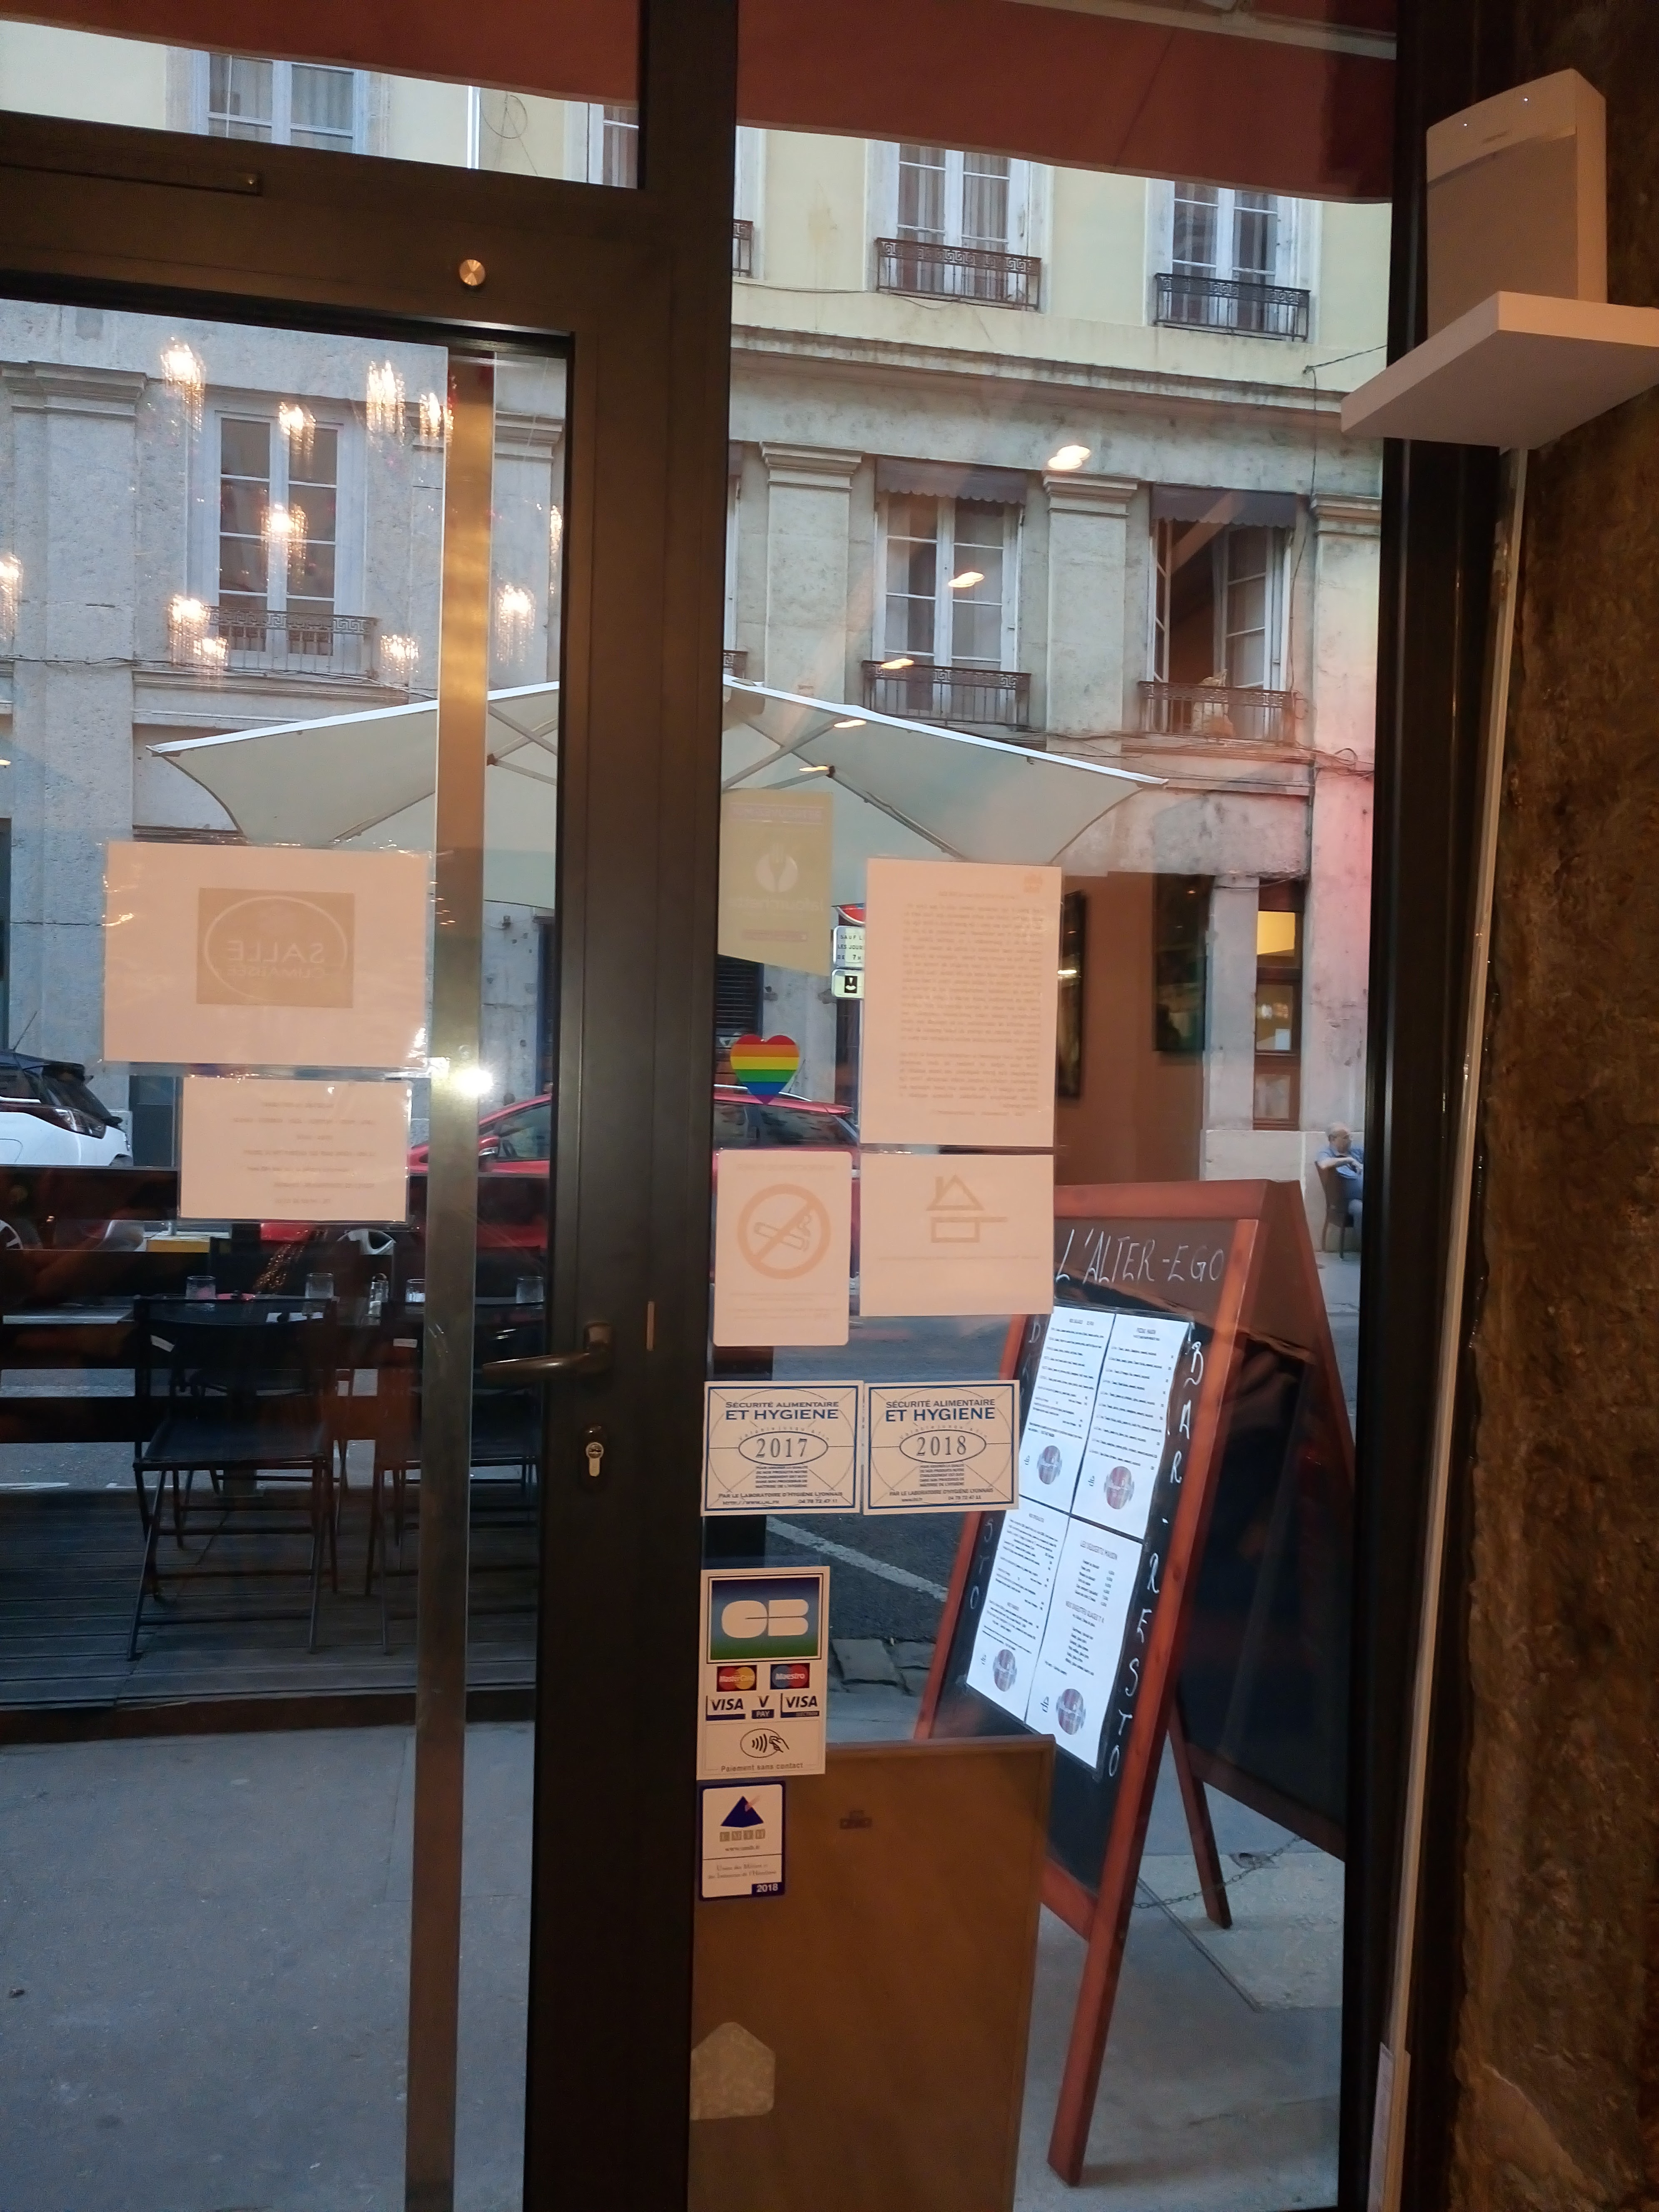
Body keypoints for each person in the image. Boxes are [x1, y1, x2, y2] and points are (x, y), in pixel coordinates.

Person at [1315, 1123, 1365, 1236]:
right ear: (1332, 1139)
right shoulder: (1327, 1153)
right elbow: (1324, 1164)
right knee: (1360, 1209)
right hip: (1348, 1201)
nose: (1350, 1140)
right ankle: (1365, 1245)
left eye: (1350, 1137)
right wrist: (1349, 1160)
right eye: (1346, 1138)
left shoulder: (1357, 1151)